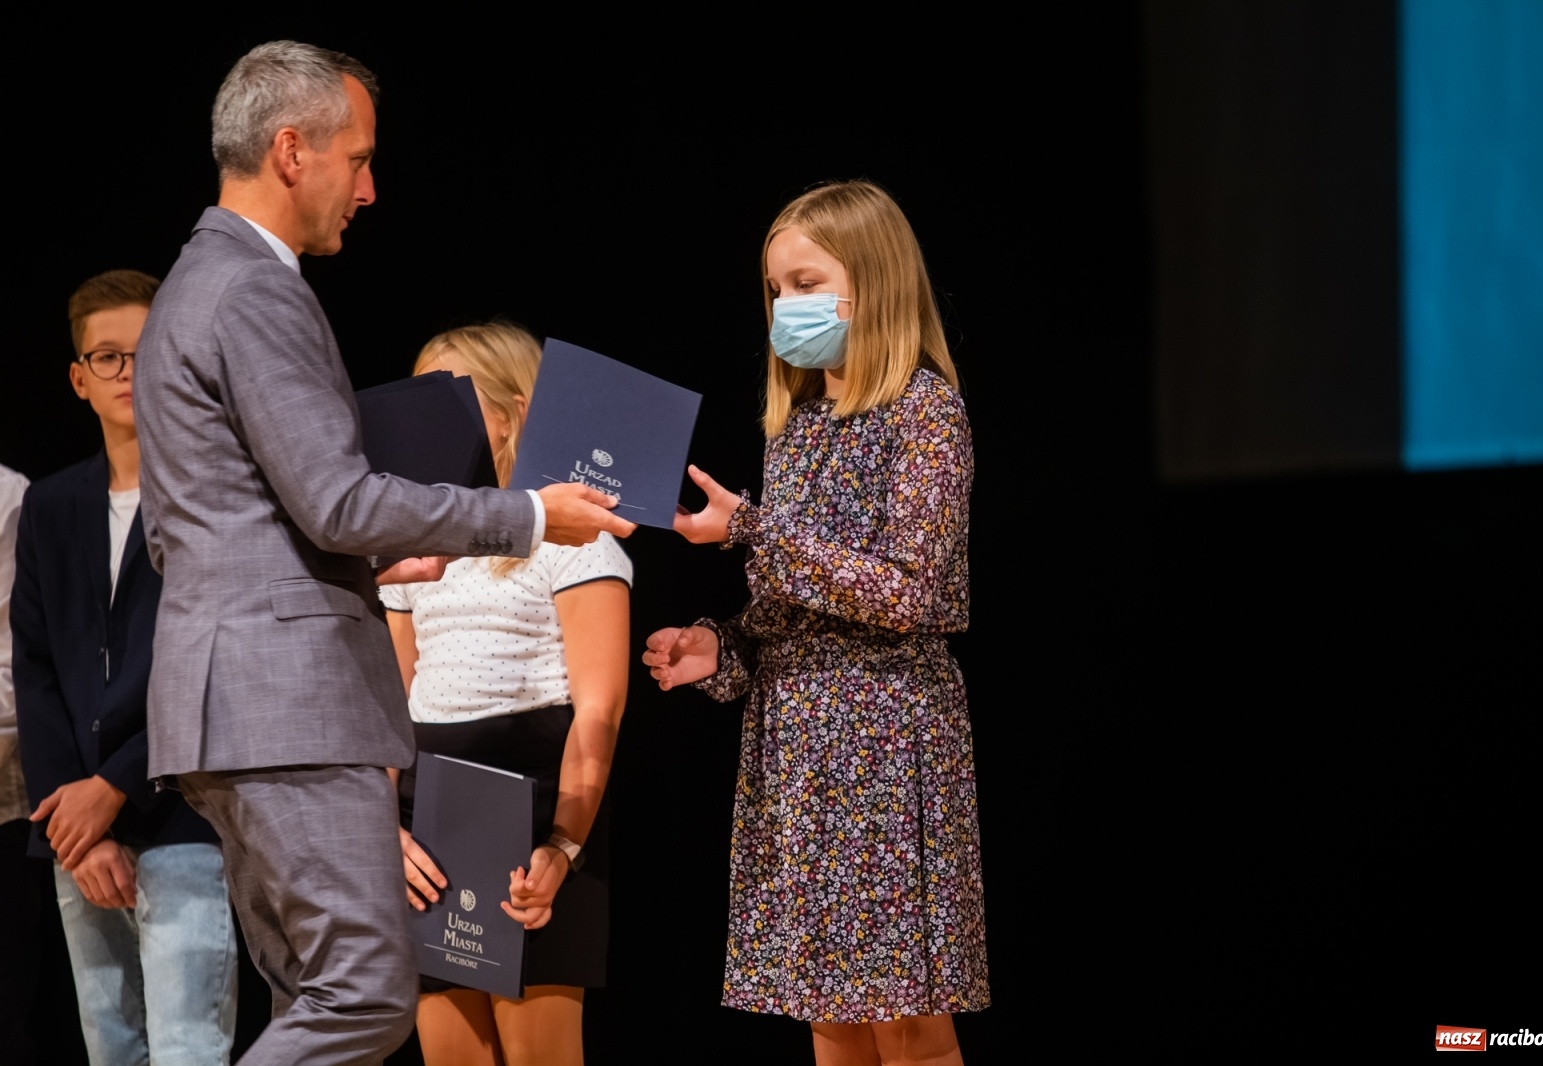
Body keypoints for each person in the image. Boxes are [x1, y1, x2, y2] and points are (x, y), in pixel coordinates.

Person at [134, 42, 632, 1065]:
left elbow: (183, 529)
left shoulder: (192, 286)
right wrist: (529, 516)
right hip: (286, 709)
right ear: (289, 151)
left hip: (229, 703)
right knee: (362, 996)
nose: (369, 188)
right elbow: (337, 499)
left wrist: (361, 568)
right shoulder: (252, 291)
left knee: (307, 998)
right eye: (356, 158)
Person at [642, 180, 989, 1066]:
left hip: (881, 734)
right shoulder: (796, 425)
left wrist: (755, 527)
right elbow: (789, 608)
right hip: (796, 738)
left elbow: (910, 592)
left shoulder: (924, 411)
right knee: (828, 1012)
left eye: (805, 283)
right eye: (777, 290)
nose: (787, 307)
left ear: (869, 283)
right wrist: (719, 645)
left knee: (907, 1024)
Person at [381, 322, 630, 1066]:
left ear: (514, 411)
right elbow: (387, 703)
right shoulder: (410, 546)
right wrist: (383, 829)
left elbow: (600, 707)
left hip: (535, 807)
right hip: (426, 819)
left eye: (451, 402)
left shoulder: (579, 542)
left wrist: (563, 844)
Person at [11, 270, 238, 1066]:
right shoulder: (50, 504)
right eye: (107, 358)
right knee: (110, 1048)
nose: (128, 375)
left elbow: (215, 664)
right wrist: (74, 813)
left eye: (145, 355)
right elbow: (33, 670)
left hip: (182, 809)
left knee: (188, 1048)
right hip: (74, 827)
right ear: (79, 378)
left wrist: (116, 787)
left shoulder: (214, 492)